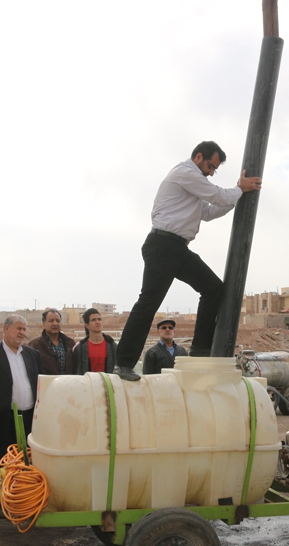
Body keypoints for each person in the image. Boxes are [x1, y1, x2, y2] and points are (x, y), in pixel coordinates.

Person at [114, 141, 262, 380]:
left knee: (213, 288)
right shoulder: (186, 173)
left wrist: (237, 196)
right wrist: (239, 189)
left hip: (177, 249)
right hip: (163, 246)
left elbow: (209, 211)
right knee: (148, 303)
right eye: (211, 166)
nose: (211, 172)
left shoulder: (194, 185)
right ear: (198, 157)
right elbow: (218, 196)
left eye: (215, 169)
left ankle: (200, 350)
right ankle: (123, 363)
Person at [0, 315, 42, 517]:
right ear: (6, 329)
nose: (22, 333)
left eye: (24, 329)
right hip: (2, 418)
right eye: (18, 328)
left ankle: (25, 497)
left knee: (27, 459)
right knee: (0, 460)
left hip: (29, 416)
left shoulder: (32, 355)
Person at [27, 309, 75, 375]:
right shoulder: (35, 345)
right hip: (46, 385)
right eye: (51, 321)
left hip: (66, 384)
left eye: (58, 321)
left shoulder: (69, 344)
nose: (55, 324)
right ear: (44, 324)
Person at [73, 308, 118, 375]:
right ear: (87, 325)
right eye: (93, 320)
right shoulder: (79, 349)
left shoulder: (113, 346)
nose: (97, 322)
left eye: (99, 319)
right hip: (88, 384)